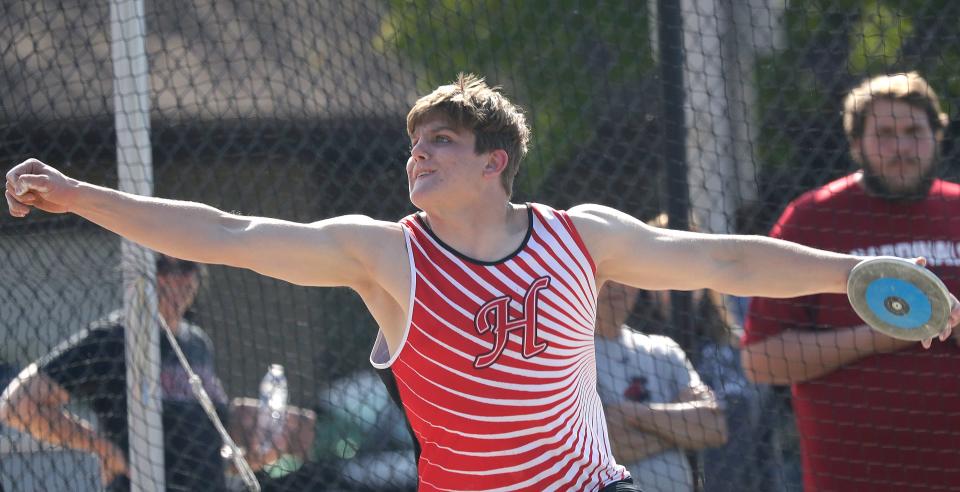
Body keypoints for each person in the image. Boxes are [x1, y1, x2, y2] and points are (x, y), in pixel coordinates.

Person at [4, 73, 957, 492]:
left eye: (442, 143)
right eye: (414, 144)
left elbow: (727, 259)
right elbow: (228, 230)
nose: (418, 156)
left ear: (496, 161)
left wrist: (851, 269)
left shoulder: (578, 237)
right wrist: (80, 195)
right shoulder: (383, 253)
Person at [742, 72, 960, 491]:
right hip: (848, 478)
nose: (901, 148)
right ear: (856, 144)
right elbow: (760, 360)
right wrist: (881, 334)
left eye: (915, 132)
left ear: (938, 134)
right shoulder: (811, 219)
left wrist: (947, 320)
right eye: (885, 134)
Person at [0, 254, 231, 490]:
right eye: (160, 266)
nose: (173, 279)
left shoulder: (197, 343)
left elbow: (200, 443)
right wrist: (102, 447)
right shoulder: (114, 339)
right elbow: (17, 406)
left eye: (185, 266)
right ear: (138, 272)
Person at [594, 281, 727, 492]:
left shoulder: (663, 348)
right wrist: (677, 430)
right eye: (605, 279)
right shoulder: (569, 357)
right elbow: (607, 444)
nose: (615, 287)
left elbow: (714, 426)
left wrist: (634, 416)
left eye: (622, 277)